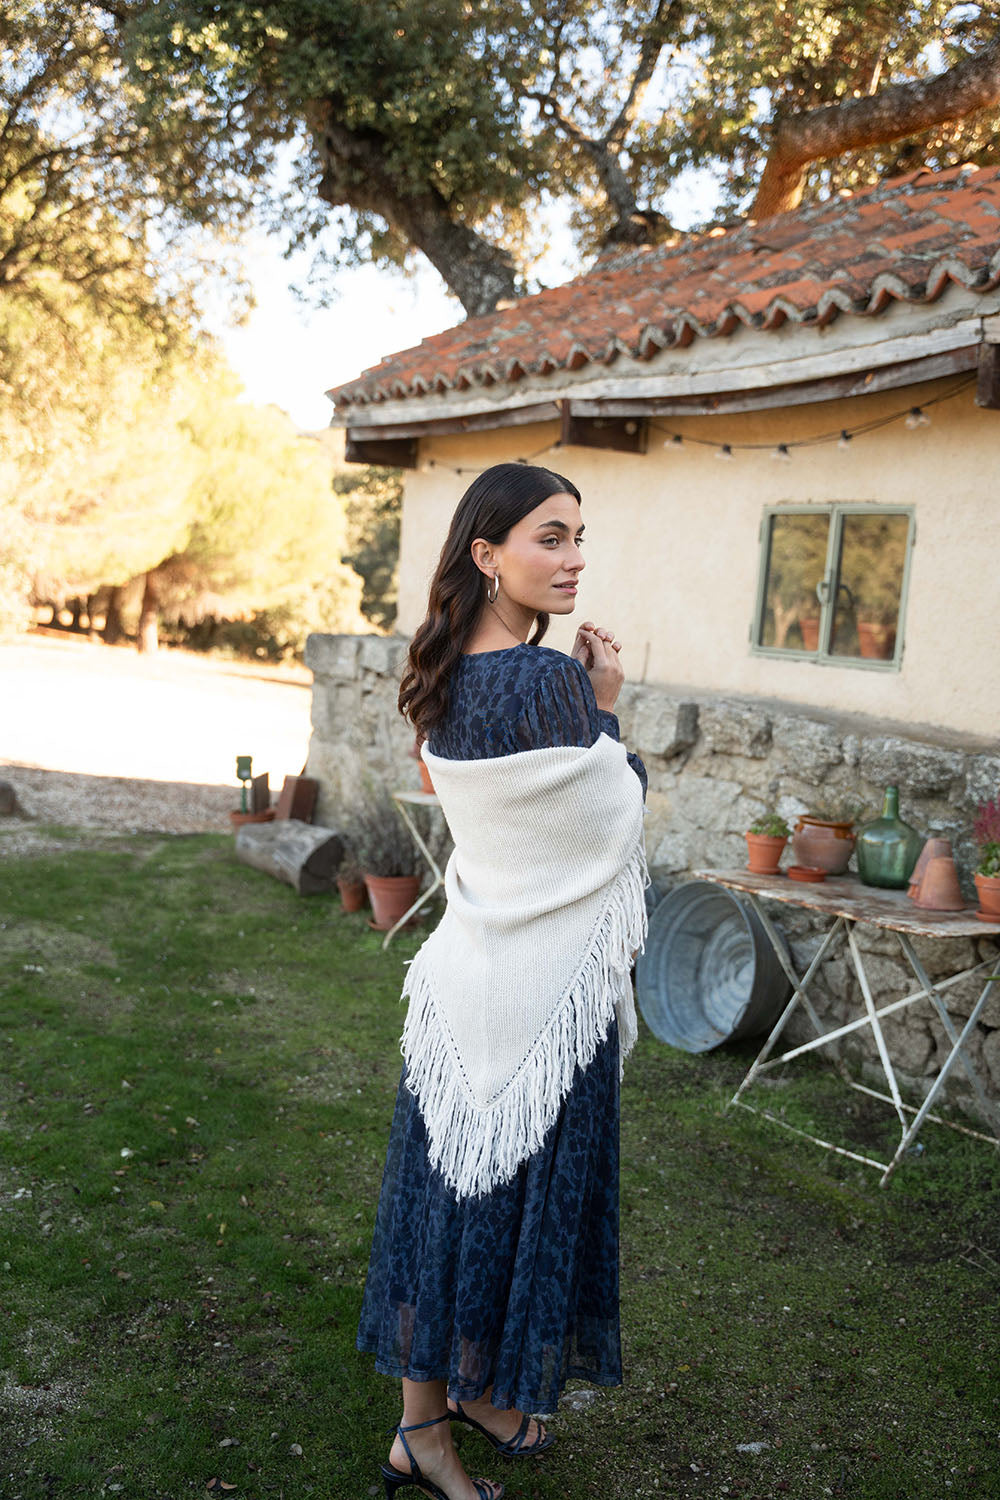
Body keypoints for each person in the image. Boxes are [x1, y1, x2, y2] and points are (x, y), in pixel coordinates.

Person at [356, 461, 649, 1500]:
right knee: (503, 1215)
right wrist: (605, 711)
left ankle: (464, 1397)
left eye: (578, 537)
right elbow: (610, 821)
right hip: (542, 998)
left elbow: (512, 828)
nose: (573, 560)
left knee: (445, 1209)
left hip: (463, 982)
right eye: (549, 538)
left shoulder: (441, 672)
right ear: (486, 555)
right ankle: (422, 1438)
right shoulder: (548, 682)